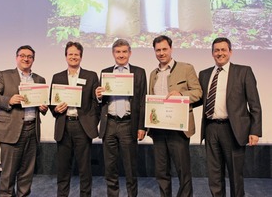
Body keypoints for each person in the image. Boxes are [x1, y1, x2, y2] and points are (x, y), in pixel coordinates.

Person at [196, 37, 262, 197]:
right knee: (214, 175)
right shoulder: (204, 74)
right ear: (212, 53)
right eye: (216, 50)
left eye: (223, 50)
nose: (220, 53)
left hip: (233, 130)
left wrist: (255, 130)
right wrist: (177, 100)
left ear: (230, 52)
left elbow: (254, 104)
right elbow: (197, 99)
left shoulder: (243, 71)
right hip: (211, 129)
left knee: (235, 175)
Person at [0, 45, 48, 197]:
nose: (26, 59)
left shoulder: (39, 79)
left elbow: (42, 105)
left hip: (31, 130)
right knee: (8, 173)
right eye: (22, 55)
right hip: (11, 130)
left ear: (33, 60)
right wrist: (9, 100)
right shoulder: (4, 75)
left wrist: (43, 107)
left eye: (29, 56)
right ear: (17, 57)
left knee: (27, 173)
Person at [148, 35, 202, 197]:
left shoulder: (186, 68)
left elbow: (198, 93)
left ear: (171, 49)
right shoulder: (153, 73)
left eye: (164, 49)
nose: (161, 53)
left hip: (178, 129)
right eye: (158, 50)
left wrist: (181, 94)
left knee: (182, 170)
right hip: (158, 129)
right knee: (161, 171)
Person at [95, 39, 147, 197]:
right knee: (110, 167)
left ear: (130, 53)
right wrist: (98, 96)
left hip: (128, 124)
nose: (121, 55)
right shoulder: (105, 72)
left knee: (131, 167)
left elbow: (142, 101)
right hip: (109, 123)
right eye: (118, 52)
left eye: (124, 51)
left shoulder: (139, 72)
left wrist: (141, 126)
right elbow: (101, 101)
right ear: (113, 54)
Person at [49, 41, 99, 197]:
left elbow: (96, 102)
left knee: (85, 169)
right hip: (64, 126)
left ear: (81, 57)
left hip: (82, 127)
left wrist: (91, 122)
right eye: (70, 54)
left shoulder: (90, 76)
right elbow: (52, 103)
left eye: (76, 54)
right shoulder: (57, 77)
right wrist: (55, 109)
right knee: (63, 169)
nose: (73, 57)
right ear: (65, 56)